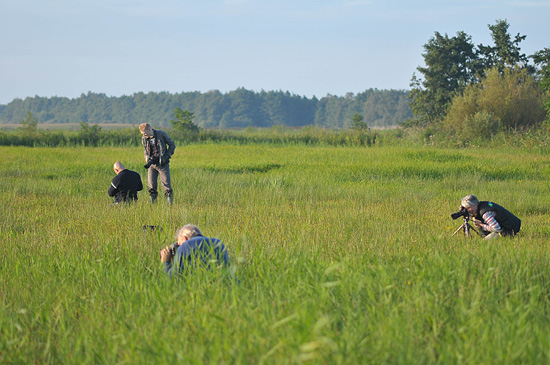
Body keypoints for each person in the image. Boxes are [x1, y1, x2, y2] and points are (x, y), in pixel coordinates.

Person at [160, 224, 229, 277]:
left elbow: (172, 278)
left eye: (178, 243)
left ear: (184, 239)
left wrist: (166, 262)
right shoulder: (218, 243)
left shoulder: (185, 246)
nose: (178, 247)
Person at [139, 123, 176, 204]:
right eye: (143, 134)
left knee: (166, 186)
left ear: (149, 129)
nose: (144, 135)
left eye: (145, 133)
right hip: (151, 165)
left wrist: (166, 156)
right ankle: (153, 206)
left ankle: (170, 205)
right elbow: (145, 150)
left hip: (163, 163)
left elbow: (172, 145)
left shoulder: (161, 134)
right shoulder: (144, 138)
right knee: (151, 187)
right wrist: (146, 157)